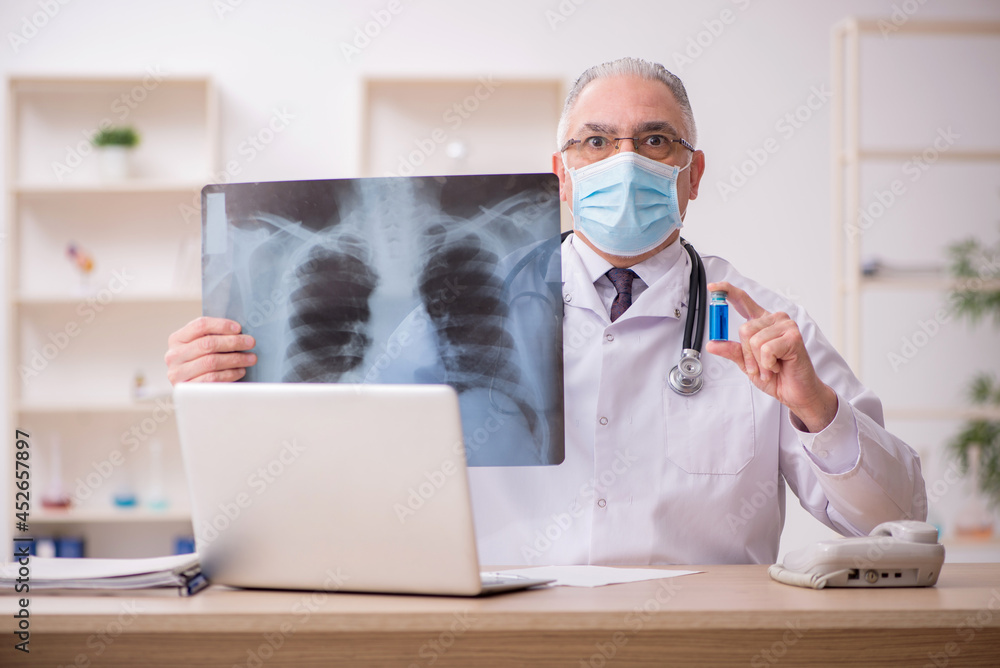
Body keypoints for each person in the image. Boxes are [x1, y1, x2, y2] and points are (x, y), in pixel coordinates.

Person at [165, 57, 927, 565]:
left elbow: (896, 524)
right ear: (562, 173)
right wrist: (228, 400)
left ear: (692, 175)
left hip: (699, 642)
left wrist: (817, 410)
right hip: (504, 638)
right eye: (596, 142)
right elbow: (335, 483)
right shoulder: (446, 312)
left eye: (654, 140)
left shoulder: (766, 327)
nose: (624, 160)